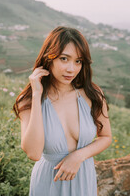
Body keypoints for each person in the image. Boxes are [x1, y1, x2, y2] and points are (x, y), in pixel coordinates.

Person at [13, 26, 112, 196]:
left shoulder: (92, 94)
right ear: (48, 57)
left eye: (78, 61)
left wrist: (78, 156)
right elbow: (34, 153)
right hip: (49, 183)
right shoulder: (28, 100)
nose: (71, 69)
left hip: (84, 179)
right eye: (64, 59)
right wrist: (37, 95)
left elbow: (105, 137)